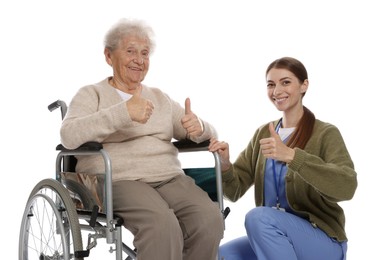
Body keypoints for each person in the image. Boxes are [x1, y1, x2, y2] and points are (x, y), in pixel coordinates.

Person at [60, 18, 224, 260]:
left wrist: (199, 126)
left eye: (145, 53)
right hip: (117, 179)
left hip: (167, 177)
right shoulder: (91, 94)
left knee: (209, 219)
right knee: (161, 225)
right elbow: (68, 135)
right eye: (130, 51)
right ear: (108, 56)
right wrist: (123, 113)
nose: (139, 60)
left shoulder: (160, 98)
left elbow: (206, 133)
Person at [209, 57, 357, 260]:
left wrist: (292, 156)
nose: (277, 91)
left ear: (304, 85)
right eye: (271, 84)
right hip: (275, 236)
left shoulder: (325, 133)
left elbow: (346, 186)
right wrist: (225, 166)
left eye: (285, 82)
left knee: (257, 217)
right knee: (218, 256)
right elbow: (234, 191)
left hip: (322, 241)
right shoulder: (264, 133)